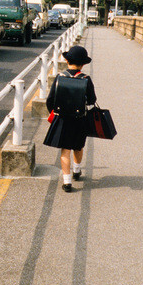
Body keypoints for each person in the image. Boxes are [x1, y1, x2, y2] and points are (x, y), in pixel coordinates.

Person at [43, 45, 97, 192]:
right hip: (79, 119)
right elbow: (92, 100)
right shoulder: (86, 79)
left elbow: (50, 100)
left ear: (67, 61)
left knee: (65, 150)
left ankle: (67, 182)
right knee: (78, 146)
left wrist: (54, 114)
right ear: (83, 64)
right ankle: (77, 170)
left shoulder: (60, 77)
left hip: (63, 119)